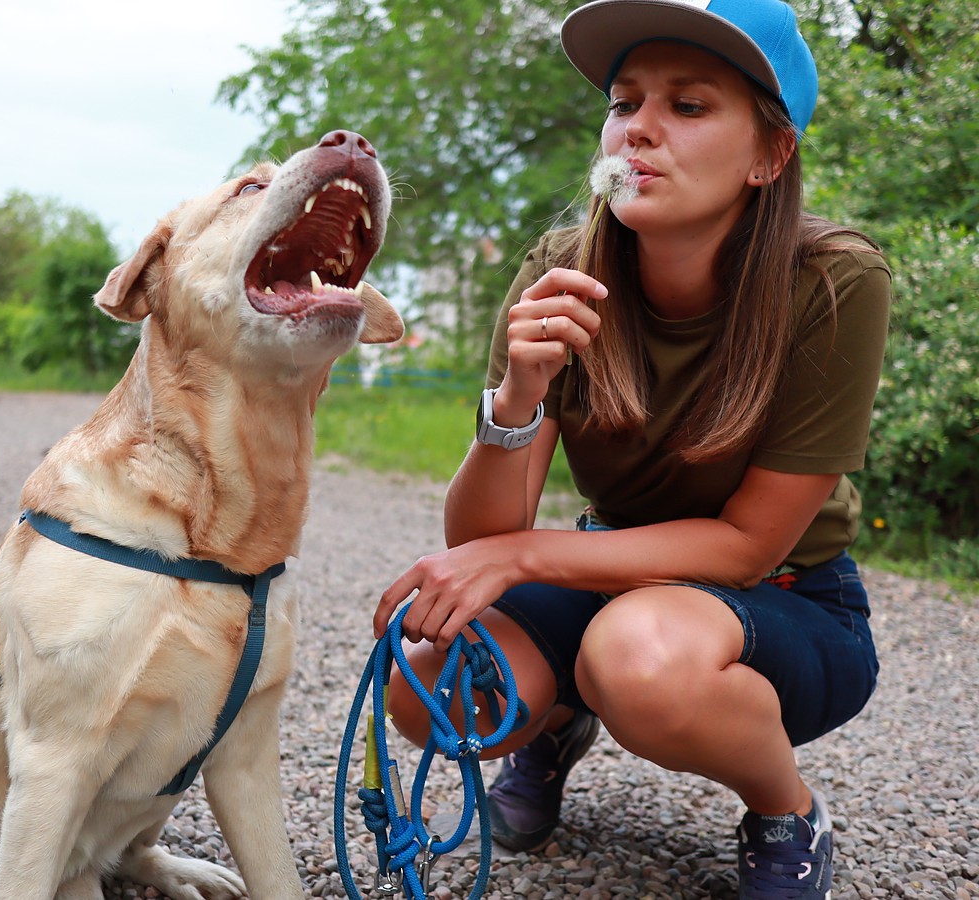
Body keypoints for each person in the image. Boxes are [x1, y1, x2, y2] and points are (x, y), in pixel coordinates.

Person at [371, 1, 891, 897]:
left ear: (771, 154)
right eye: (625, 102)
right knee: (429, 689)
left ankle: (786, 808)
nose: (640, 128)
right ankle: (555, 721)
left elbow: (749, 545)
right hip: (614, 576)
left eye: (689, 108)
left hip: (783, 598)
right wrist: (517, 398)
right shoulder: (557, 270)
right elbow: (483, 533)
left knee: (637, 661)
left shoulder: (835, 282)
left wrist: (521, 557)